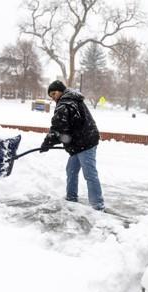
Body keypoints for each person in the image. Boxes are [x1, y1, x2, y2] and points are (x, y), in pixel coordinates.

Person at [40, 80, 105, 211]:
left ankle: (98, 205)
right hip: (80, 142)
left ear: (61, 91)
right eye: (51, 96)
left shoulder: (65, 104)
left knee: (90, 174)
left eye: (54, 93)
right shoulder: (73, 99)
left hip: (85, 143)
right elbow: (69, 127)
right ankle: (71, 197)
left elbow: (59, 129)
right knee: (71, 170)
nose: (53, 98)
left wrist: (47, 143)